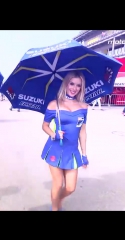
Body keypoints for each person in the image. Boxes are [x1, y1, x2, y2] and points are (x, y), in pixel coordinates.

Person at [41, 71, 88, 211]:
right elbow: (44, 126)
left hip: (72, 152)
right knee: (58, 183)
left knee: (70, 187)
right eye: (71, 83)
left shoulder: (84, 107)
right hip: (55, 148)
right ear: (66, 84)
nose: (74, 88)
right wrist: (54, 134)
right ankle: (55, 208)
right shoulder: (54, 104)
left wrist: (84, 154)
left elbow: (83, 131)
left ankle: (57, 200)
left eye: (78, 85)